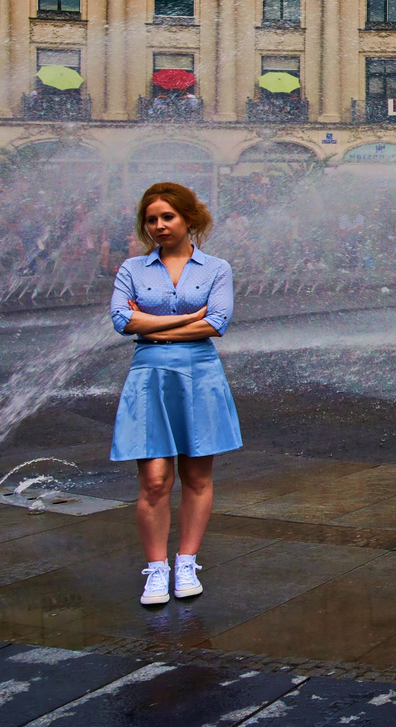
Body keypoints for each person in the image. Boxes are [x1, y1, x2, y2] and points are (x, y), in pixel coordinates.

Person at [109, 182, 239, 607]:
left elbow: (216, 323)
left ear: (188, 219)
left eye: (168, 217)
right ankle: (156, 569)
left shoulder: (216, 268)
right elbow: (121, 321)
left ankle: (186, 561)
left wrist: (151, 322)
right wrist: (185, 319)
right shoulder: (132, 268)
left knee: (197, 477)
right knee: (153, 480)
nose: (160, 226)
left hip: (200, 373)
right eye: (152, 219)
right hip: (149, 374)